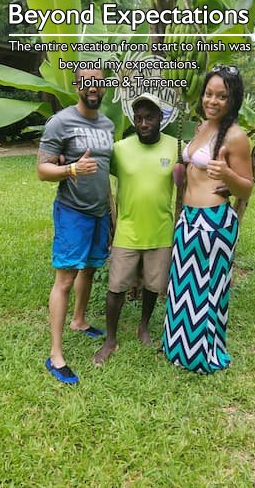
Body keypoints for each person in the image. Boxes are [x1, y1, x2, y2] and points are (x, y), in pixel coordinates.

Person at [162, 65, 254, 373]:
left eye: (222, 96)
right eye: (208, 94)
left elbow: (247, 187)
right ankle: (178, 348)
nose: (212, 101)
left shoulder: (236, 136)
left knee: (206, 291)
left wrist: (227, 174)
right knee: (182, 287)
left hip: (213, 222)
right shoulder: (203, 126)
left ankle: (202, 355)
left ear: (233, 99)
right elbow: (192, 169)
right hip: (188, 218)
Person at [37, 67, 114, 384]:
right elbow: (42, 170)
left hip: (99, 211)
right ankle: (56, 354)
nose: (93, 88)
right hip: (72, 211)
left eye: (99, 83)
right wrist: (71, 169)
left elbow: (107, 167)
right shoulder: (61, 121)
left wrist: (111, 208)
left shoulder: (108, 124)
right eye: (87, 83)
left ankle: (79, 320)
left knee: (90, 268)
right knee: (65, 278)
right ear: (78, 85)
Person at [93, 93, 178, 365]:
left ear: (160, 119)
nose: (143, 123)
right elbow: (100, 170)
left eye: (149, 118)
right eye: (139, 118)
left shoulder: (176, 147)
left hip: (161, 231)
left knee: (153, 285)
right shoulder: (121, 148)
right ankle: (111, 339)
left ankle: (143, 327)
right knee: (116, 287)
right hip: (127, 231)